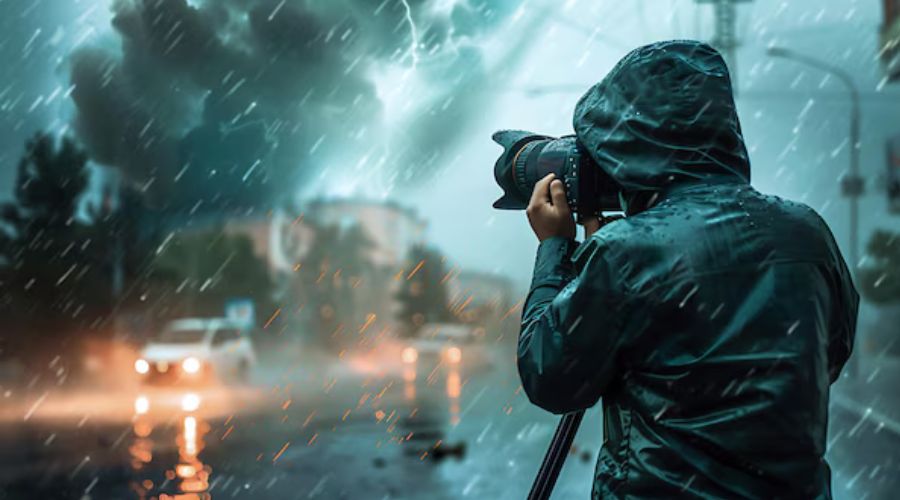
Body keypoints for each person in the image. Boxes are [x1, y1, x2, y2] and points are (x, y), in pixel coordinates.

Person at [517, 40, 858, 498]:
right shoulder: (807, 232)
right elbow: (831, 351)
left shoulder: (626, 253)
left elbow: (550, 377)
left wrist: (557, 247)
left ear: (627, 143)